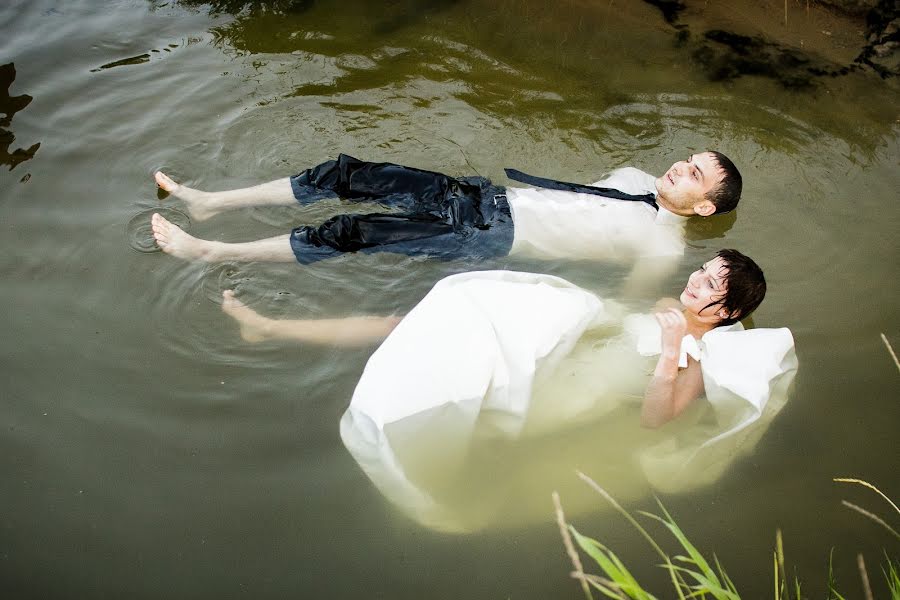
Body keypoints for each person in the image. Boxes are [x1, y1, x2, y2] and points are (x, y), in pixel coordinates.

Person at [218, 249, 796, 531]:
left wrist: (671, 352)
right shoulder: (670, 307)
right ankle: (269, 328)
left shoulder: (699, 357)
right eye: (701, 270)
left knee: (465, 421)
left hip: (562, 403)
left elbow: (656, 420)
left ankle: (375, 481)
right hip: (546, 368)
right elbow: (610, 325)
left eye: (711, 284)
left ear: (731, 310)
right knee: (415, 321)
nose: (695, 281)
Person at [150, 151, 742, 288]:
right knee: (347, 174)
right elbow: (579, 198)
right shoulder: (635, 178)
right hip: (485, 198)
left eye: (695, 176)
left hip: (491, 236)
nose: (678, 169)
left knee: (349, 233)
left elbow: (621, 303)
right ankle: (210, 202)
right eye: (686, 161)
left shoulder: (664, 250)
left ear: (707, 208)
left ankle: (208, 252)